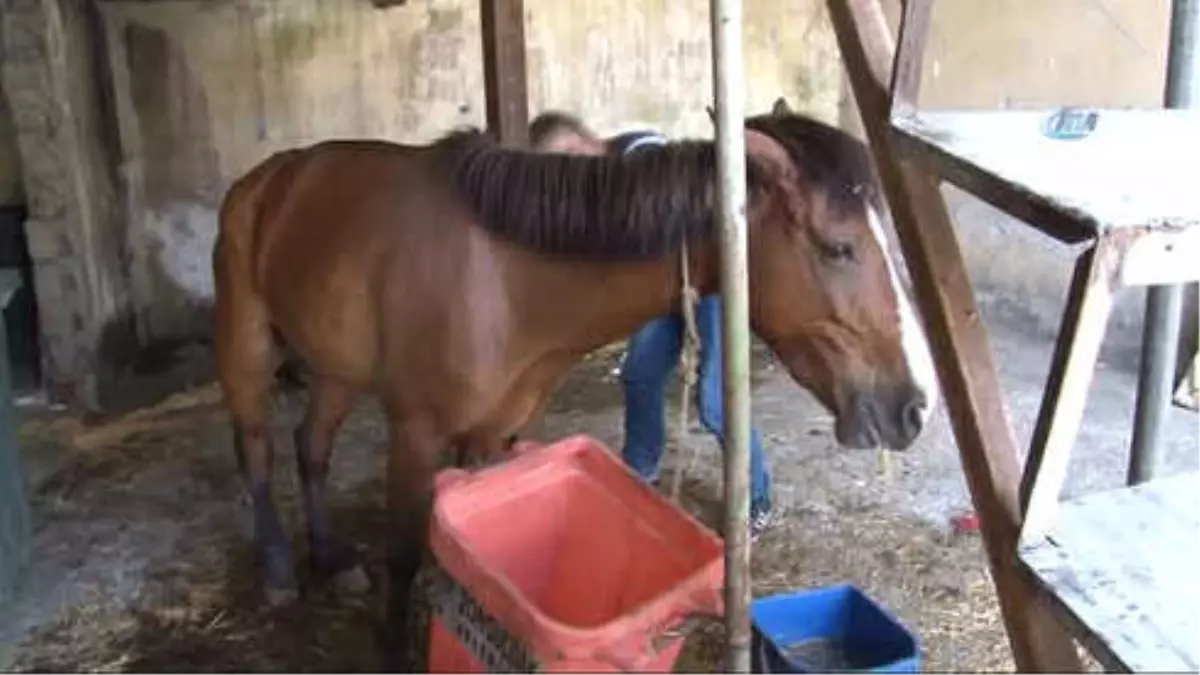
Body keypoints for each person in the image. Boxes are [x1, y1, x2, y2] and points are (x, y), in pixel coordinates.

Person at [529, 112, 777, 537]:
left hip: (709, 284)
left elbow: (661, 204)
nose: (569, 172)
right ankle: (639, 472)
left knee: (717, 400)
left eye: (568, 157)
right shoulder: (599, 184)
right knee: (640, 375)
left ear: (583, 141)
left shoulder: (640, 152)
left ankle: (757, 497)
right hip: (666, 289)